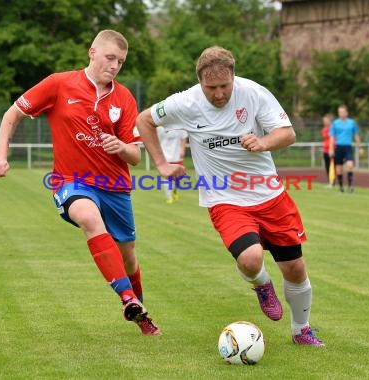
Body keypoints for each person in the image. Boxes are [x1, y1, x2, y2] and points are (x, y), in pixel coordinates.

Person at [136, 46, 324, 346]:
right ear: (200, 82)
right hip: (225, 199)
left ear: (233, 77)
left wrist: (262, 143)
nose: (219, 94)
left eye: (225, 86)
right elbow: (144, 119)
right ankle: (262, 285)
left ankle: (301, 329)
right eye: (211, 88)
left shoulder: (254, 93)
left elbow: (287, 133)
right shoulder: (185, 102)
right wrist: (160, 163)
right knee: (250, 259)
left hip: (270, 196)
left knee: (295, 268)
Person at [0, 30, 159, 335]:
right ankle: (127, 297)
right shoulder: (58, 84)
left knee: (129, 256)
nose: (115, 65)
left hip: (115, 187)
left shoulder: (124, 98)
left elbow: (134, 155)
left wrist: (120, 147)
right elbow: (11, 115)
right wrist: (1, 156)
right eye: (110, 58)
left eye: (120, 61)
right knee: (88, 217)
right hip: (72, 181)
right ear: (92, 52)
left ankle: (140, 310)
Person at [329, 105, 361, 192]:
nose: (341, 113)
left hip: (348, 146)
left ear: (347, 113)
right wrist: (331, 149)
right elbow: (332, 137)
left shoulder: (352, 123)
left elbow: (356, 134)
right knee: (339, 168)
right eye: (339, 112)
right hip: (338, 147)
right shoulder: (335, 123)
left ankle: (350, 186)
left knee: (350, 165)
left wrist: (360, 146)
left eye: (343, 112)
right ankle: (341, 186)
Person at [157, 126, 188, 203]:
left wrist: (182, 150)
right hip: (165, 156)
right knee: (167, 177)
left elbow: (184, 138)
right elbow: (156, 140)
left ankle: (175, 191)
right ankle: (169, 197)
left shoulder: (179, 125)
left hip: (177, 155)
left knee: (179, 176)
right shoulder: (160, 127)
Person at [321, 114, 334, 186]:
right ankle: (329, 181)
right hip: (325, 149)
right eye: (324, 121)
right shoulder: (323, 129)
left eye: (326, 120)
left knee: (332, 166)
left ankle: (333, 181)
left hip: (332, 149)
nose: (324, 122)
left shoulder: (333, 128)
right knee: (327, 166)